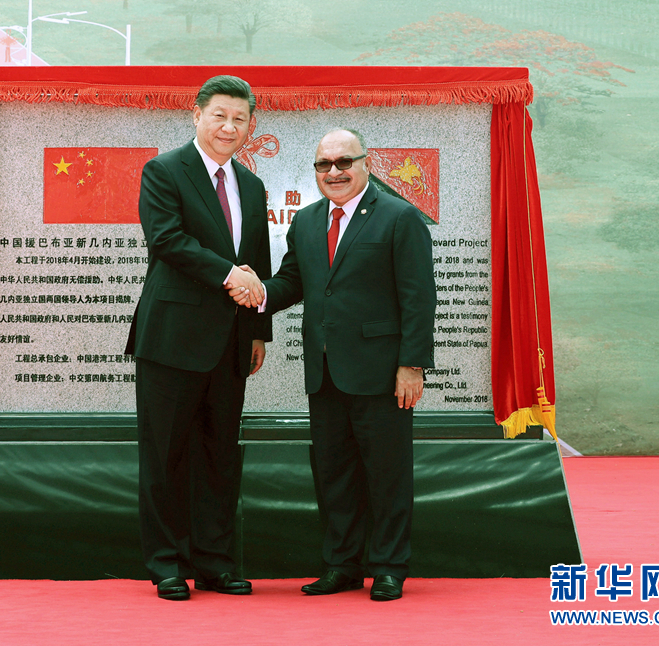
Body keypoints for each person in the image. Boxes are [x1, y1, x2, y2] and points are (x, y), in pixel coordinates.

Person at [230, 128, 435, 601]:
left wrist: (412, 365)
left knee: (386, 474)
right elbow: (293, 282)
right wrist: (257, 291)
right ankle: (342, 565)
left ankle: (389, 567)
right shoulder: (306, 221)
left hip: (382, 373)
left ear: (366, 163)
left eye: (344, 162)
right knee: (334, 473)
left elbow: (418, 297)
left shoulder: (399, 216)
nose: (334, 172)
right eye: (324, 164)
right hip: (324, 373)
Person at [125, 75, 272, 601]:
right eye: (220, 116)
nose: (229, 127)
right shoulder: (164, 170)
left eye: (239, 118)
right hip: (172, 339)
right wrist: (229, 275)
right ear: (197, 115)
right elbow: (167, 239)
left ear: (250, 125)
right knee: (165, 455)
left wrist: (258, 331)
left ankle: (215, 563)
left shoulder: (251, 184)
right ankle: (166, 564)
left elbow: (257, 258)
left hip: (231, 343)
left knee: (218, 455)